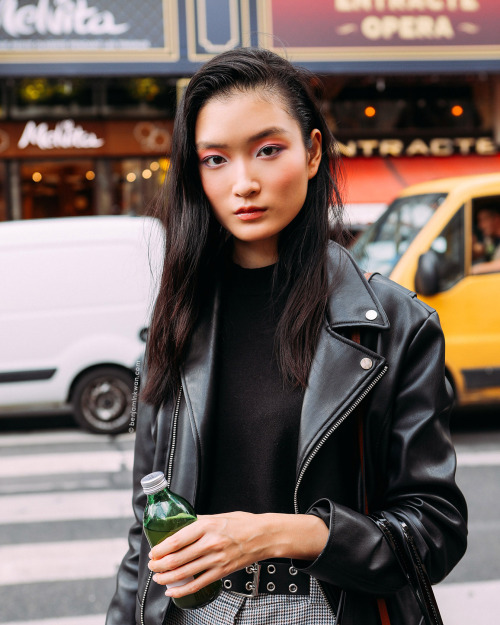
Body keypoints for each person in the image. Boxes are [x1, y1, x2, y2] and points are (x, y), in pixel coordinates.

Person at [106, 48, 467, 625]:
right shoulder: (178, 319)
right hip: (196, 612)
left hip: (328, 607)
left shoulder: (394, 326)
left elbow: (435, 530)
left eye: (268, 150)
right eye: (215, 159)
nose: (243, 182)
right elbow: (145, 531)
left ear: (313, 151)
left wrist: (280, 534)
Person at [471, 205, 500, 274]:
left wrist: (476, 269)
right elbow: (481, 250)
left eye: (483, 220)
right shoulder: (491, 239)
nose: (480, 226)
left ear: (496, 219)